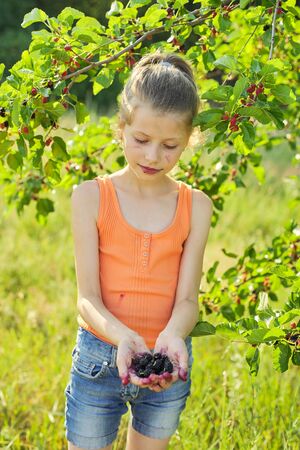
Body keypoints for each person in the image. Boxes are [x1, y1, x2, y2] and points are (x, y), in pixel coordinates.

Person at [64, 49, 213, 450]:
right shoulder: (89, 197)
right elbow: (87, 299)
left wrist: (172, 336)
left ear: (189, 141)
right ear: (122, 127)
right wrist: (123, 337)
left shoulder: (196, 206)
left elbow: (187, 300)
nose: (152, 156)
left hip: (166, 362)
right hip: (99, 358)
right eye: (141, 140)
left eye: (170, 145)